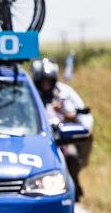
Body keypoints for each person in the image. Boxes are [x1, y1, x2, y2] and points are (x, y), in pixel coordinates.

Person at [30, 57, 94, 201]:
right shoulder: (29, 94)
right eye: (42, 82)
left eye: (48, 81)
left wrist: (65, 113)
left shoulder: (64, 93)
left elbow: (84, 116)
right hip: (37, 139)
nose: (46, 85)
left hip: (62, 138)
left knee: (71, 156)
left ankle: (73, 183)